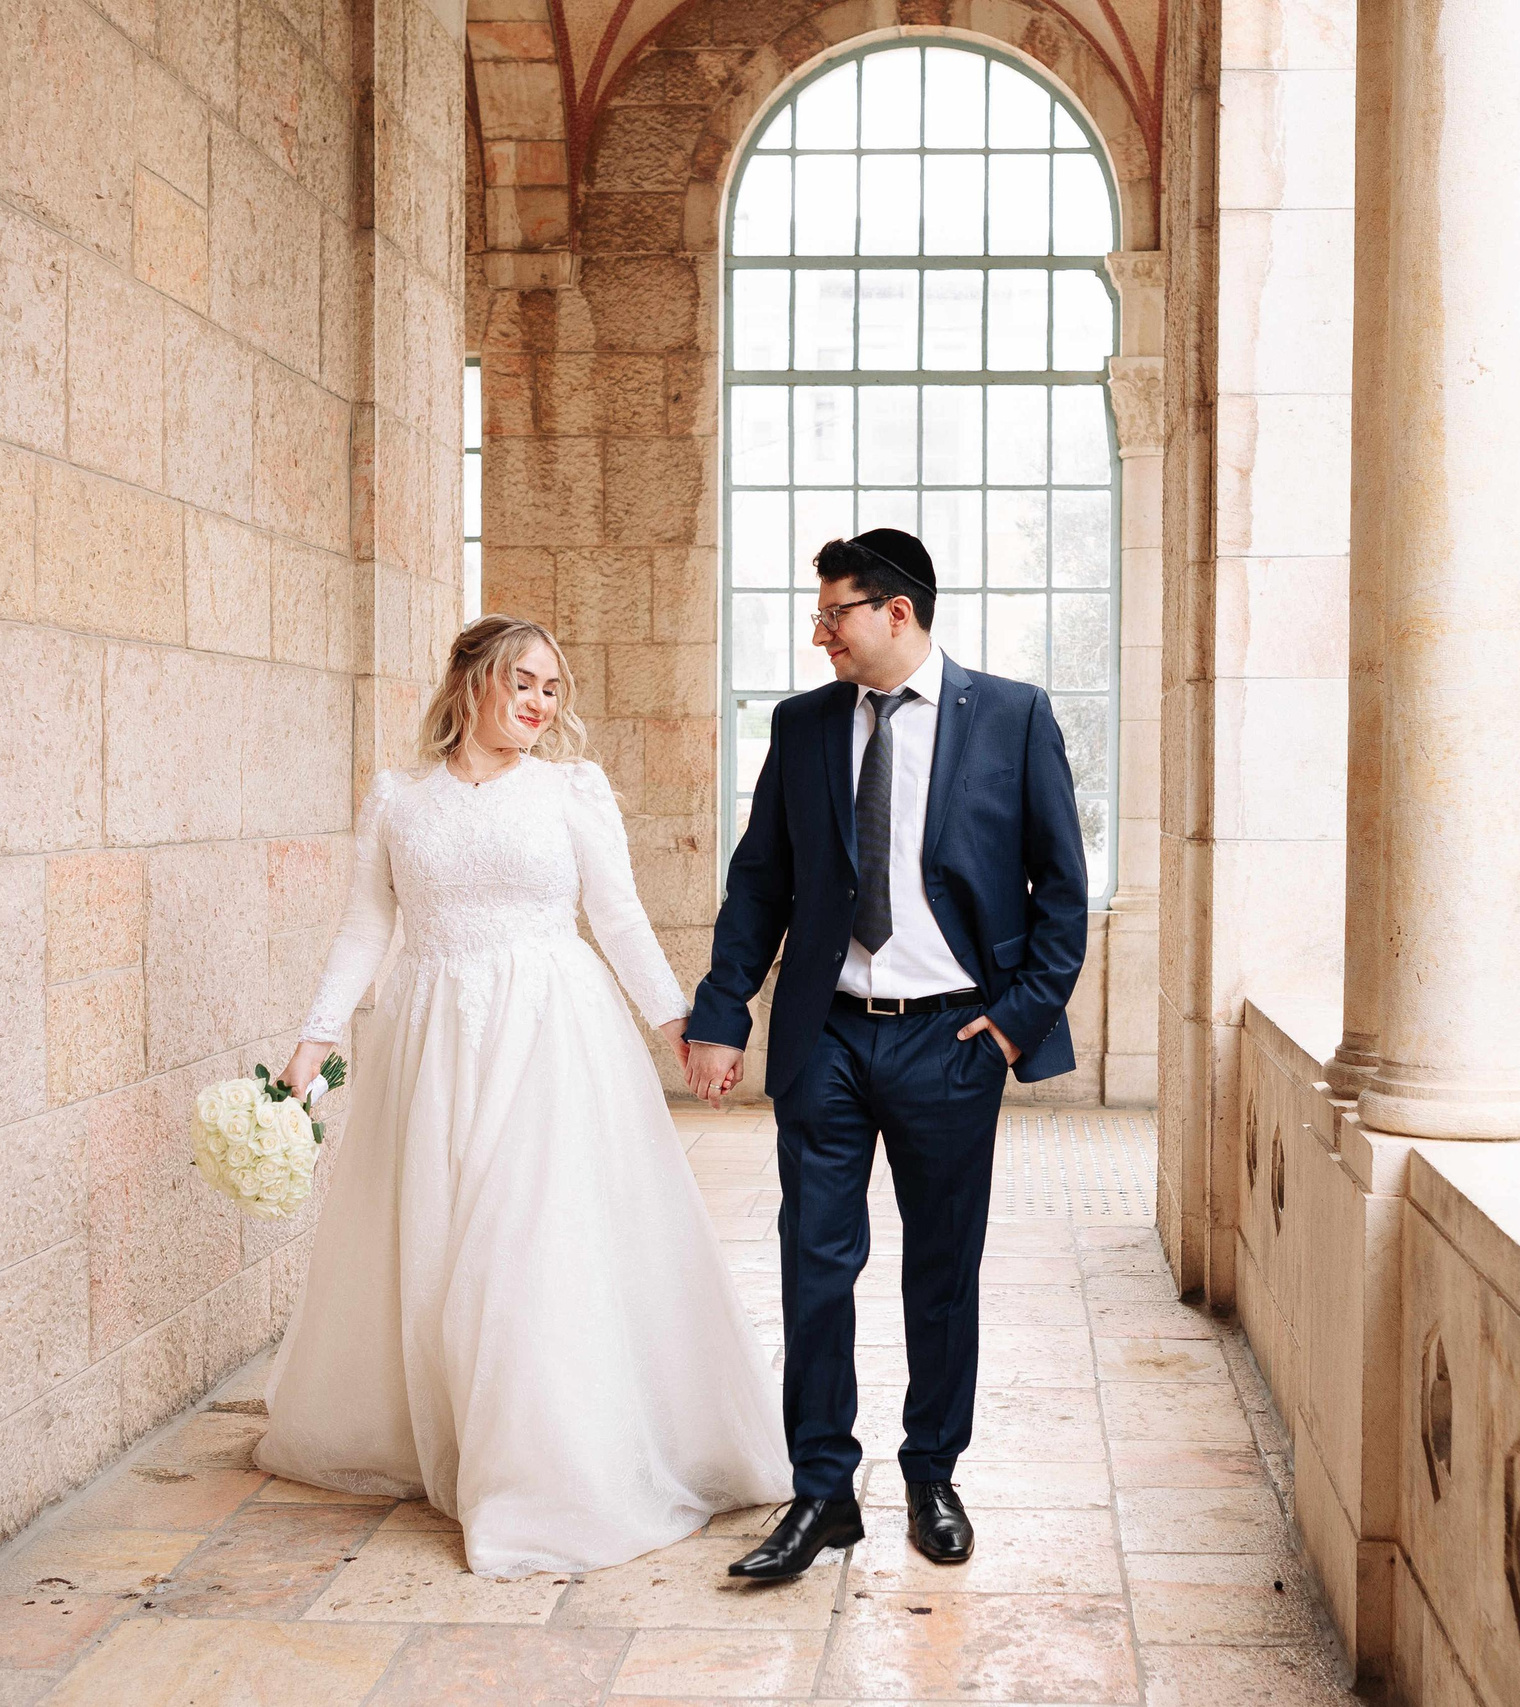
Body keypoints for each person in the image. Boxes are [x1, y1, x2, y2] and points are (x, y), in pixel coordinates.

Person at [261, 615, 791, 1577]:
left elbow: (618, 915)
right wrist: (316, 1036)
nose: (541, 704)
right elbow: (364, 929)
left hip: (550, 1035)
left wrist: (677, 1023)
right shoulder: (398, 801)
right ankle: (455, 1438)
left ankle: (538, 1471)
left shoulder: (572, 792)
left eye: (554, 688)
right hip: (431, 1039)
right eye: (524, 682)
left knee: (527, 1242)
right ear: (469, 681)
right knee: (437, 1241)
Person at [684, 527, 1090, 1579]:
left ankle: (930, 1472)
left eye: (834, 615)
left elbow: (1062, 890)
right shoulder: (807, 724)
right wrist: (723, 1012)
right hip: (826, 1037)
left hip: (950, 1038)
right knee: (814, 1267)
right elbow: (760, 883)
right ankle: (821, 1491)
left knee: (940, 1273)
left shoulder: (1010, 716)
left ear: (895, 612)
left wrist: (1014, 1022)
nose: (819, 634)